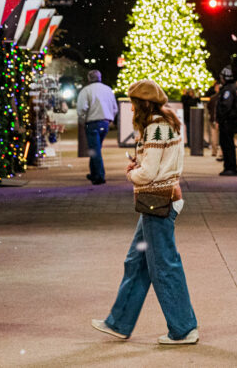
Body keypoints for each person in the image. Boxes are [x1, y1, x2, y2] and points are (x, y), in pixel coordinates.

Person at [92, 79, 199, 345]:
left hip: (157, 202)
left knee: (164, 266)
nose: (130, 110)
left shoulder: (154, 128)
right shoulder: (169, 122)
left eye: (133, 104)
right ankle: (119, 323)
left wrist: (131, 173)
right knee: (136, 263)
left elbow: (149, 173)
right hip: (162, 199)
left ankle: (183, 328)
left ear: (143, 104)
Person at [76, 70, 119, 185]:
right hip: (105, 123)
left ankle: (100, 175)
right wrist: (110, 119)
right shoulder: (108, 89)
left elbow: (82, 109)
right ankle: (94, 173)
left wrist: (82, 120)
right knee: (96, 148)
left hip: (92, 123)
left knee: (95, 150)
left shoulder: (86, 91)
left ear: (89, 78)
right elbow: (115, 108)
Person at [215, 66, 237, 176]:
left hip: (227, 122)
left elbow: (226, 106)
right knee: (227, 145)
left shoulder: (228, 90)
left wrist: (220, 119)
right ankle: (229, 167)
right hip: (228, 122)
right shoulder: (231, 88)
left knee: (227, 145)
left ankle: (230, 168)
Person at [206, 81, 222, 160]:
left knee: (214, 137)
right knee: (221, 136)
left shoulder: (212, 98)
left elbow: (208, 108)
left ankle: (214, 151)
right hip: (220, 120)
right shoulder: (223, 97)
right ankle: (221, 152)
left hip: (213, 120)